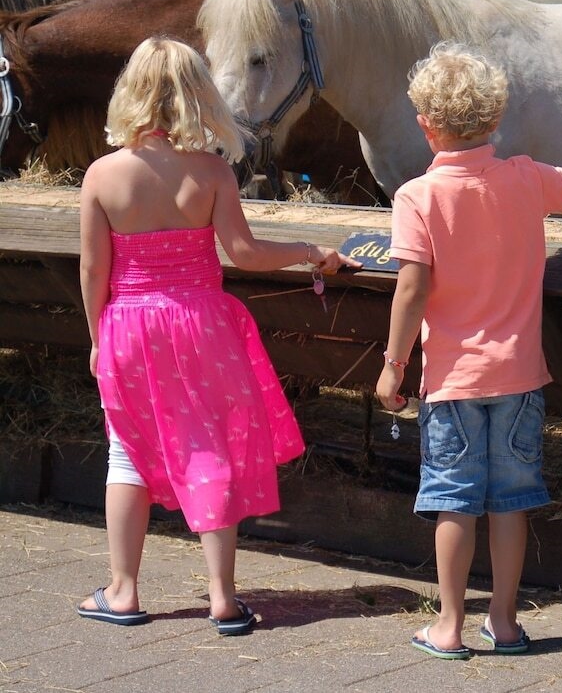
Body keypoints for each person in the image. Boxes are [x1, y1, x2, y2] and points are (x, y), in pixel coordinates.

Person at [375, 41, 562, 660]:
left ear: (427, 127)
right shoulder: (525, 178)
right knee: (510, 502)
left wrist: (393, 364)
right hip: (519, 377)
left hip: (453, 383)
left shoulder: (415, 198)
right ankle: (505, 622)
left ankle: (449, 626)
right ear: (494, 120)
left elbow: (412, 290)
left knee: (453, 502)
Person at [77, 36, 361, 634]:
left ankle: (123, 591)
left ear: (129, 94)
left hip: (128, 322)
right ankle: (223, 598)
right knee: (210, 446)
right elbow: (245, 252)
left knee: (125, 451)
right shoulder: (210, 172)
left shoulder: (102, 175)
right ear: (199, 97)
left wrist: (98, 335)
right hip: (201, 321)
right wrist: (313, 253)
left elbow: (93, 270)